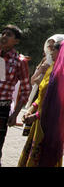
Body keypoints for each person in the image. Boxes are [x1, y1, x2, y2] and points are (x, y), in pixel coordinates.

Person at [18, 39, 64, 167]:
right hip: (39, 120)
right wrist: (31, 109)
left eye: (54, 50)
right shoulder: (52, 69)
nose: (50, 53)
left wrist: (36, 115)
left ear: (61, 52)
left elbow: (58, 105)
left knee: (44, 157)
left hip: (51, 123)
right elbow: (41, 94)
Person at [0, 25, 31, 166]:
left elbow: (26, 90)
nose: (4, 36)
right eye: (3, 33)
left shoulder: (19, 61)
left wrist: (15, 114)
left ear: (16, 41)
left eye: (9, 35)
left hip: (2, 109)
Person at [25, 34, 64, 109]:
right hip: (39, 93)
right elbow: (33, 80)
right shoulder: (46, 59)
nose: (50, 50)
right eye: (49, 46)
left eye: (53, 47)